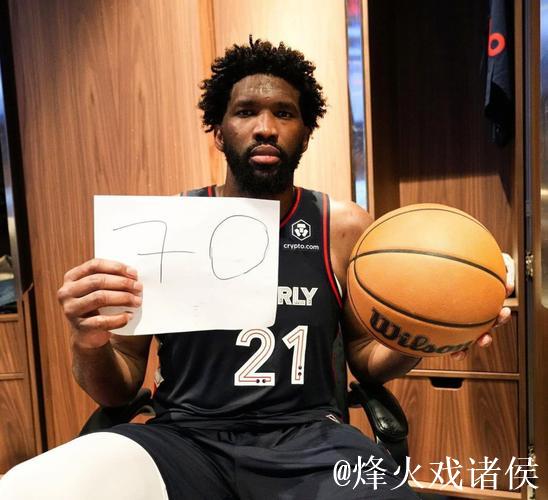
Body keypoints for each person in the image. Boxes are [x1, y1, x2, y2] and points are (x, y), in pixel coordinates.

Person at [0, 38, 511, 500]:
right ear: (219, 131)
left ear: (305, 133)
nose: (265, 127)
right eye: (245, 111)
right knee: (28, 489)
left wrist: (424, 334)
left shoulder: (341, 226)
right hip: (183, 440)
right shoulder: (162, 226)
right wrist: (87, 341)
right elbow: (119, 388)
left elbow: (366, 359)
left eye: (284, 113)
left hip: (314, 441)